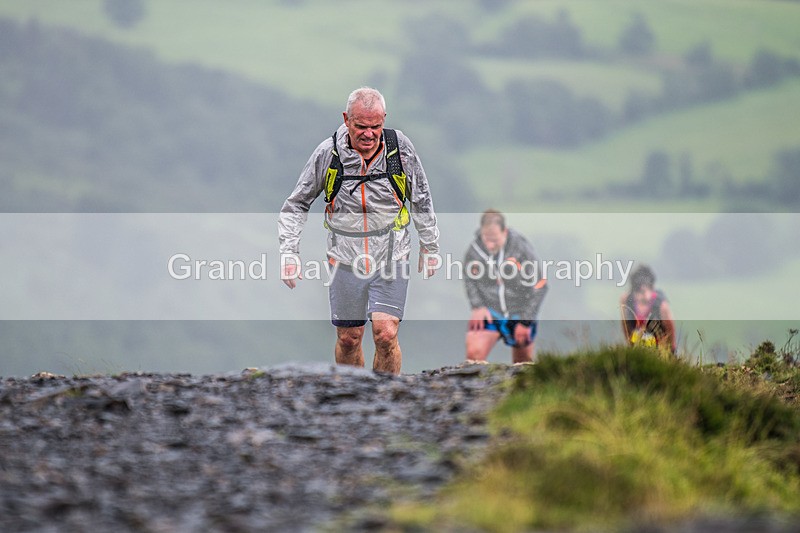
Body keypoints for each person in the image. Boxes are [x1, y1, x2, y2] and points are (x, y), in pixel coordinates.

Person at [278, 87, 440, 375]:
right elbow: (297, 203)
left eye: (376, 127)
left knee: (385, 333)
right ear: (346, 120)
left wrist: (430, 247)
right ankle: (355, 398)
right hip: (344, 259)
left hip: (392, 255)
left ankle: (386, 400)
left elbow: (422, 198)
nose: (368, 134)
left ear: (384, 120)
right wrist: (289, 253)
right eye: (361, 126)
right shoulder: (328, 153)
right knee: (349, 339)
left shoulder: (399, 149)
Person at [464, 210, 548, 364]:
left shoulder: (521, 249)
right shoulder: (474, 251)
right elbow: (470, 279)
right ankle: (477, 387)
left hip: (519, 310)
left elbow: (540, 285)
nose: (490, 244)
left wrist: (525, 321)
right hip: (491, 311)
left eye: (495, 240)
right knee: (474, 352)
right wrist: (478, 306)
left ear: (505, 232)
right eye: (486, 239)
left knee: (523, 365)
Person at [620, 264, 677, 354]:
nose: (643, 295)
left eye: (645, 290)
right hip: (638, 349)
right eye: (639, 291)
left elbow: (671, 331)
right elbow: (625, 326)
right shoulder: (626, 301)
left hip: (660, 350)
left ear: (651, 288)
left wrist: (671, 351)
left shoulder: (662, 306)